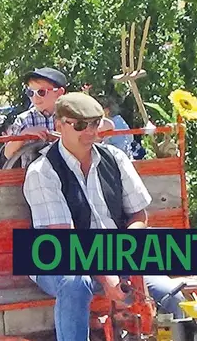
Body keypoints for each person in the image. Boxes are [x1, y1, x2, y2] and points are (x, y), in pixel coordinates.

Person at [23, 92, 186, 341]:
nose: (89, 131)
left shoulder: (116, 158)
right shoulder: (42, 171)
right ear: (59, 125)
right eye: (79, 125)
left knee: (171, 294)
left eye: (95, 123)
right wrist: (106, 276)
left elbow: (138, 214)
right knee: (75, 283)